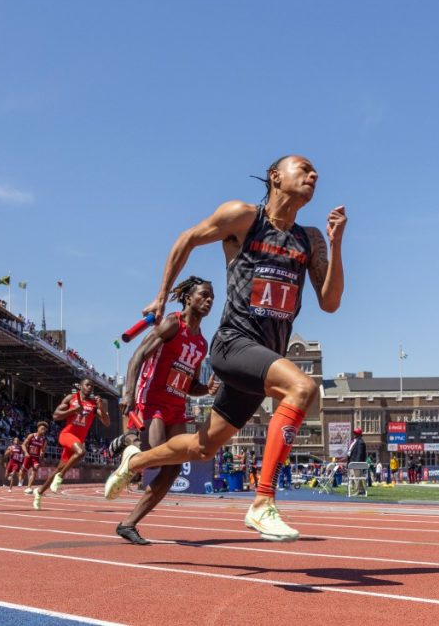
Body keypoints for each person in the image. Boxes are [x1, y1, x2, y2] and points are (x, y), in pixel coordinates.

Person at [105, 154, 347, 542]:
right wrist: (162, 295)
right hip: (234, 344)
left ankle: (136, 460)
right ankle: (262, 502)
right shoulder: (244, 218)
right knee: (302, 387)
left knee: (204, 447)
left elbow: (330, 302)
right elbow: (188, 238)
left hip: (263, 358)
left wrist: (336, 246)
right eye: (303, 168)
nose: (313, 174)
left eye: (315, 170)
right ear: (275, 177)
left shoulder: (310, 239)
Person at [109, 277, 216, 544]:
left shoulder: (201, 343)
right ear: (188, 298)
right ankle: (127, 441)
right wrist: (129, 392)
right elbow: (138, 355)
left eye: (212, 297)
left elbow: (189, 384)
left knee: (173, 468)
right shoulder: (172, 323)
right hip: (153, 400)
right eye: (204, 295)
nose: (209, 300)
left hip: (177, 407)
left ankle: (128, 523)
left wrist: (206, 389)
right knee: (157, 456)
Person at [33, 378, 110, 510]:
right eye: (87, 385)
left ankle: (39, 492)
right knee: (81, 452)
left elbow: (107, 423)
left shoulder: (94, 404)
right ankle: (61, 476)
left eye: (92, 386)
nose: (90, 388)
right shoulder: (71, 398)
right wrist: (73, 411)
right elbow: (56, 416)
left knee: (59, 467)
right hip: (66, 435)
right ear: (81, 386)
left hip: (78, 439)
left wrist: (102, 408)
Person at [21, 421, 49, 494]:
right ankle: (21, 480)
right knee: (23, 472)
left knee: (35, 470)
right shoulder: (31, 436)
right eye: (42, 429)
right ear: (38, 428)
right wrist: (26, 453)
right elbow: (23, 445)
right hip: (28, 456)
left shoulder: (44, 440)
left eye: (45, 430)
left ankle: (29, 487)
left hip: (36, 458)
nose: (43, 431)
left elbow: (43, 450)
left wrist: (42, 455)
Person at [346, 427, 367, 496]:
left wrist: (357, 464)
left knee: (357, 478)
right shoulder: (355, 441)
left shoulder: (360, 442)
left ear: (358, 434)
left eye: (355, 433)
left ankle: (358, 491)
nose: (354, 434)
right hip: (351, 462)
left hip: (355, 463)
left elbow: (360, 454)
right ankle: (361, 490)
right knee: (356, 477)